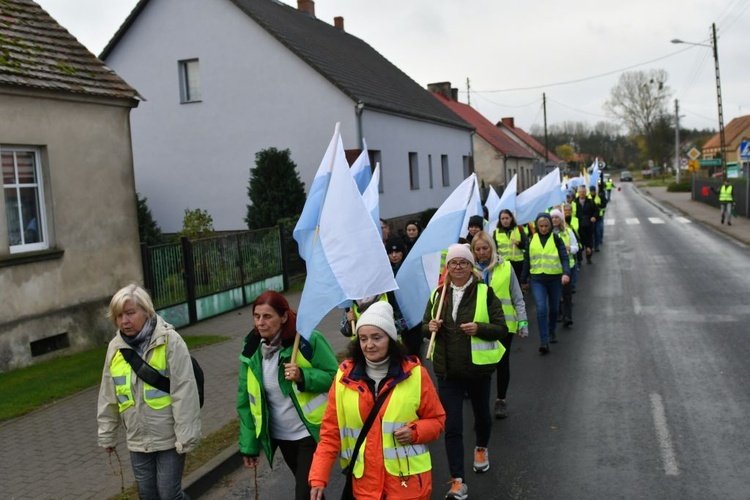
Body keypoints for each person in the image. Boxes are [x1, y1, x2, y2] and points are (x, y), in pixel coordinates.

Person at [309, 301, 445, 499]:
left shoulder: (416, 375)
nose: (369, 344)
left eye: (376, 337)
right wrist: (318, 478)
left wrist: (416, 432)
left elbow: (437, 421)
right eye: (363, 338)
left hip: (407, 486)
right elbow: (330, 432)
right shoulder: (344, 377)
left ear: (390, 339)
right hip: (366, 487)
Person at [97, 284, 201, 500]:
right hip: (137, 438)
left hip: (169, 438)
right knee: (148, 495)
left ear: (146, 311)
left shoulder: (170, 341)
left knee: (169, 495)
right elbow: (108, 393)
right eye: (118, 315)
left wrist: (186, 436)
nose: (124, 321)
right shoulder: (115, 348)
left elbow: (184, 391)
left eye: (130, 313)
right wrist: (107, 433)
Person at [423, 243, 508, 499]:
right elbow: (424, 329)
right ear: (447, 268)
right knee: (452, 426)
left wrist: (479, 328)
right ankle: (458, 480)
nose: (458, 267)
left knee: (482, 416)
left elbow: (501, 328)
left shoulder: (485, 292)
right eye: (453, 263)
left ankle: (481, 447)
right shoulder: (438, 295)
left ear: (471, 267)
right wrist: (431, 326)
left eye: (463, 263)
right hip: (448, 372)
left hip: (477, 370)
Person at [237, 290, 338, 500]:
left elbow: (336, 377)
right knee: (312, 492)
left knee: (304, 494)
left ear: (283, 317)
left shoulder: (307, 341)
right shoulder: (251, 349)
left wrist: (304, 376)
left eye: (267, 316)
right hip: (282, 436)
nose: (260, 323)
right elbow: (246, 402)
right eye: (257, 316)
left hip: (310, 432)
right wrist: (249, 446)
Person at [470, 231, 528, 420]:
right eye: (477, 249)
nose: (482, 252)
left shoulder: (506, 267)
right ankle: (481, 408)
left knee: (502, 363)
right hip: (479, 325)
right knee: (481, 365)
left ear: (492, 247)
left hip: (504, 325)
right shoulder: (470, 270)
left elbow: (517, 297)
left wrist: (523, 322)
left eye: (485, 248)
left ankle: (500, 400)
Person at [521, 213, 571, 354]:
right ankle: (544, 341)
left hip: (555, 280)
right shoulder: (531, 240)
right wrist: (523, 280)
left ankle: (551, 330)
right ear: (537, 226)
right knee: (542, 309)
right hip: (537, 280)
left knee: (554, 309)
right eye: (541, 226)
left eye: (546, 226)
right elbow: (527, 261)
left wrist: (566, 273)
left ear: (550, 226)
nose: (543, 229)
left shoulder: (556, 239)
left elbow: (564, 257)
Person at [550, 209, 578, 328]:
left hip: (567, 267)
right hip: (554, 268)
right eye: (552, 218)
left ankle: (567, 317)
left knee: (566, 293)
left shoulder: (568, 232)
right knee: (556, 294)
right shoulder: (548, 234)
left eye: (557, 217)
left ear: (561, 219)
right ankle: (559, 314)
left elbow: (576, 247)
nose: (555, 220)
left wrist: (569, 248)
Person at [494, 209, 527, 279]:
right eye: (502, 219)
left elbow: (526, 245)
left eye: (507, 218)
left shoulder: (519, 229)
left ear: (511, 218)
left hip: (518, 264)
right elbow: (494, 249)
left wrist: (519, 243)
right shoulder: (496, 232)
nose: (505, 220)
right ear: (500, 220)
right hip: (503, 263)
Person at [574, 185, 598, 264]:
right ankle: (579, 260)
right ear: (578, 193)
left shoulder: (590, 202)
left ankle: (589, 257)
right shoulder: (574, 202)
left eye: (584, 192)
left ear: (586, 193)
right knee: (579, 244)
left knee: (589, 243)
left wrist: (594, 217)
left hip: (588, 226)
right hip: (578, 226)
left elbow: (596, 211)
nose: (582, 193)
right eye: (580, 192)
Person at [590, 185, 607, 251]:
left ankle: (597, 244)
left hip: (599, 217)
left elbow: (604, 204)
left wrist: (598, 206)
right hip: (591, 217)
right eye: (591, 191)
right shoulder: (588, 197)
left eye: (593, 191)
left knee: (598, 231)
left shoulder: (600, 196)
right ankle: (593, 244)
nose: (592, 192)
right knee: (592, 233)